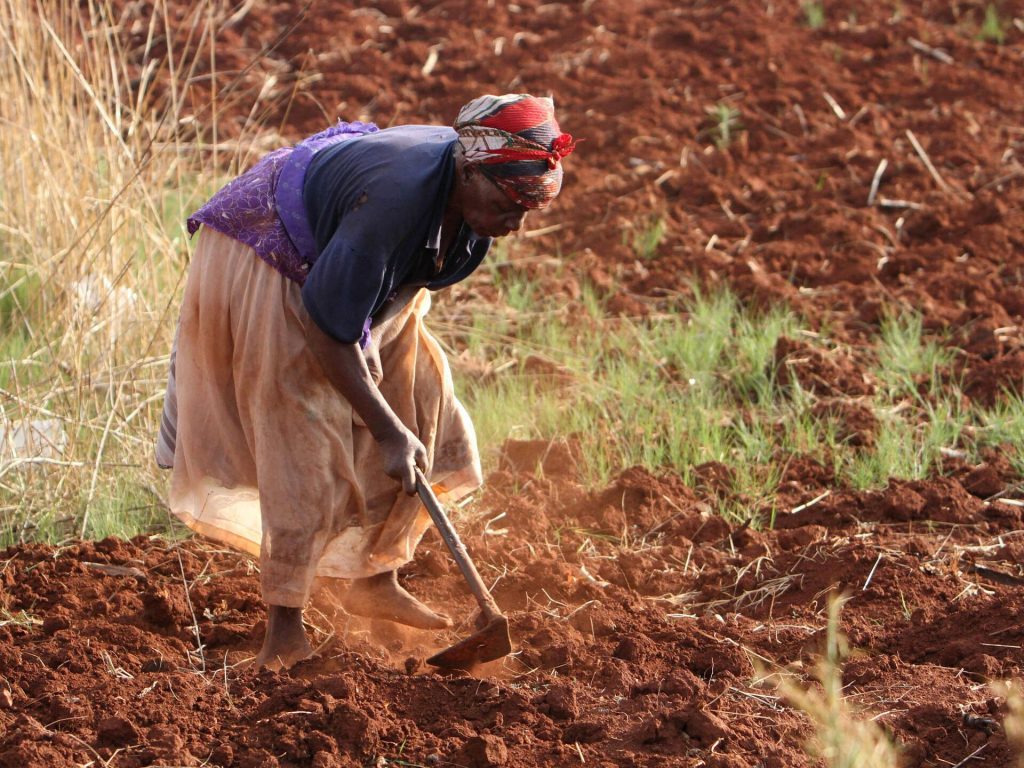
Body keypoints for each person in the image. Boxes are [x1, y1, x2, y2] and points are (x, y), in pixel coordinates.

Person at [156, 94, 576, 668]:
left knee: (423, 401)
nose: (516, 223)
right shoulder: (395, 202)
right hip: (277, 250)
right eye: (509, 203)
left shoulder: (471, 211)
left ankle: (374, 578)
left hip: (355, 269)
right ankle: (283, 630)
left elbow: (382, 292)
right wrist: (384, 430)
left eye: (529, 211)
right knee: (304, 431)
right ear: (470, 170)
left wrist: (390, 412)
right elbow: (327, 326)